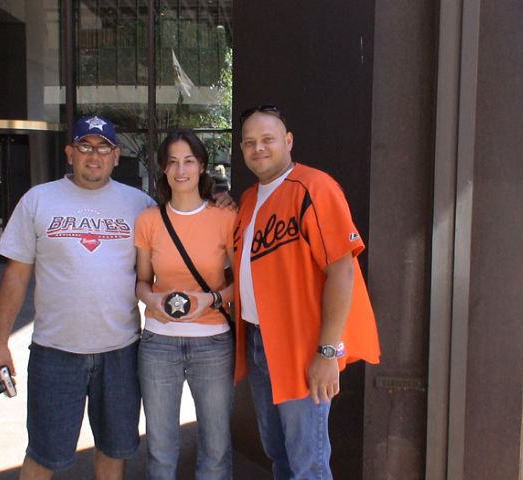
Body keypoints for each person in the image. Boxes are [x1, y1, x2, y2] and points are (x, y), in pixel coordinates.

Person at [0, 115, 156, 479]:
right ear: (69, 153)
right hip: (55, 354)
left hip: (121, 353)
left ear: (115, 155)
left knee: (113, 451)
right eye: (85, 147)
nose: (94, 156)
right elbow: (15, 275)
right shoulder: (38, 200)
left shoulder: (139, 204)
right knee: (45, 455)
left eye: (103, 148)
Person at [233, 105, 381, 479]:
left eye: (267, 139)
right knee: (278, 452)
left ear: (288, 141)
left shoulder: (315, 186)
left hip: (302, 344)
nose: (258, 148)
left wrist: (328, 350)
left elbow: (342, 270)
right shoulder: (249, 199)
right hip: (257, 338)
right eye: (249, 142)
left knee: (308, 462)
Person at [134, 130, 236, 480]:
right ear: (163, 168)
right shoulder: (149, 220)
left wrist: (211, 299)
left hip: (213, 343)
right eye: (173, 161)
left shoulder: (225, 218)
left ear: (202, 166)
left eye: (189, 161)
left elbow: (242, 284)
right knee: (160, 450)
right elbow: (142, 281)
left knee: (216, 450)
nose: (181, 169)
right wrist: (154, 300)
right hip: (158, 342)